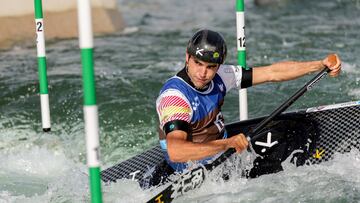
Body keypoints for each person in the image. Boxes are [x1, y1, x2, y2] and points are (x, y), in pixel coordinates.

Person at [155, 29, 341, 172]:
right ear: (187, 57)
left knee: (290, 129)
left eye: (211, 67)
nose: (203, 73)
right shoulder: (174, 97)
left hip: (223, 148)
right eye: (198, 63)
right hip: (190, 169)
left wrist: (319, 65)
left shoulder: (221, 75)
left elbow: (272, 73)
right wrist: (227, 144)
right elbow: (176, 151)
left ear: (218, 66)